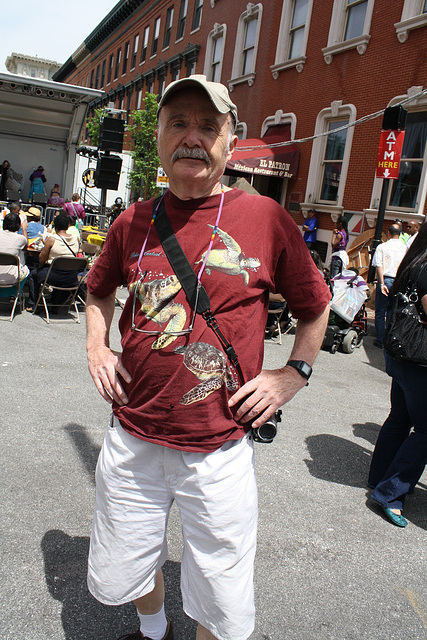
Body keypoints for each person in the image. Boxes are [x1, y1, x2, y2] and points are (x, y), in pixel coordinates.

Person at [85, 74, 330, 640]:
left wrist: (293, 373)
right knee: (129, 555)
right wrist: (96, 345)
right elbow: (99, 290)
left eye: (207, 125)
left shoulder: (266, 218)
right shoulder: (132, 222)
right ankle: (153, 633)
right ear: (161, 141)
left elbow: (315, 307)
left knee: (220, 585)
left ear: (230, 139)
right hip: (133, 437)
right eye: (178, 124)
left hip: (218, 446)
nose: (191, 137)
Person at [368, 221, 427, 528]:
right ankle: (390, 493)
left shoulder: (412, 262)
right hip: (420, 360)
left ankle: (379, 477)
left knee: (399, 418)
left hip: (402, 353)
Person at [30, 211, 80, 310]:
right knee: (59, 272)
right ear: (68, 225)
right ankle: (55, 303)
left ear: (55, 226)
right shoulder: (76, 239)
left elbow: (41, 259)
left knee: (33, 274)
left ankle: (34, 304)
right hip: (71, 277)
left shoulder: (52, 239)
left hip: (53, 275)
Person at [371, 223, 407, 348]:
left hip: (386, 279)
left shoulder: (382, 247)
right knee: (392, 311)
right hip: (398, 281)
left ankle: (380, 339)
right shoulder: (404, 248)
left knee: (380, 311)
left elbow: (379, 266)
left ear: (388, 233)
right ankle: (389, 339)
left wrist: (381, 283)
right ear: (400, 234)